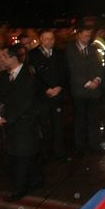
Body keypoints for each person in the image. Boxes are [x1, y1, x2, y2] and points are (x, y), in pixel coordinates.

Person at [0, 45, 41, 201]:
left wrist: (7, 118)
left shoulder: (28, 75)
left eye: (4, 57)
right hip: (11, 123)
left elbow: (25, 103)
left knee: (21, 156)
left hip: (24, 122)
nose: (1, 60)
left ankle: (20, 189)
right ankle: (35, 180)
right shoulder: (4, 76)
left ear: (13, 58)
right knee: (22, 154)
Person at [66, 26, 105, 156]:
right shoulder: (70, 49)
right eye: (85, 36)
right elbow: (72, 70)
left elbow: (99, 66)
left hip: (94, 91)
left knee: (94, 120)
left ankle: (95, 145)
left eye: (89, 36)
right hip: (80, 91)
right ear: (78, 35)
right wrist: (87, 83)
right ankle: (80, 147)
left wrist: (97, 80)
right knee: (80, 120)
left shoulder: (93, 48)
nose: (87, 38)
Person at [27, 30, 68, 159]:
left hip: (57, 94)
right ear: (41, 39)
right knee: (44, 125)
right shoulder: (32, 54)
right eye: (46, 39)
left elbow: (65, 72)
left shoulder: (59, 53)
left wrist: (60, 87)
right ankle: (45, 153)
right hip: (42, 96)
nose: (50, 41)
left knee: (58, 125)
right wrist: (45, 89)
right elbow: (33, 76)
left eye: (52, 38)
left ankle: (59, 151)